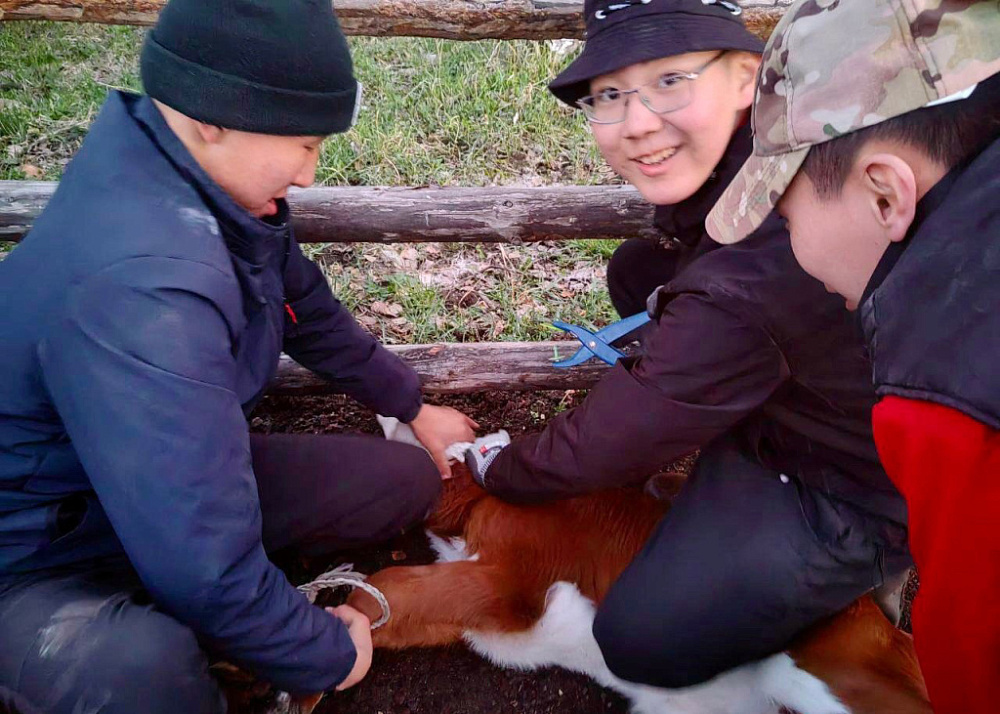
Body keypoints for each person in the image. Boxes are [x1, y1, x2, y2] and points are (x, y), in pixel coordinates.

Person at [0, 1, 477, 711]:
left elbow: (304, 310)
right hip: (35, 548)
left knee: (402, 480)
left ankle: (210, 622)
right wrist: (322, 652)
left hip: (149, 484)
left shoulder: (214, 197)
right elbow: (199, 554)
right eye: (304, 143)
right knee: (143, 673)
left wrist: (410, 403)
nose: (311, 174)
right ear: (210, 116)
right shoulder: (145, 279)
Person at [465, 0, 913, 689]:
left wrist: (494, 467)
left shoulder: (755, 275)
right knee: (639, 274)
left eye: (670, 80)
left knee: (643, 639)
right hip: (814, 396)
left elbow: (606, 444)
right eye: (609, 95)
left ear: (745, 78)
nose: (637, 123)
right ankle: (722, 414)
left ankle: (871, 558)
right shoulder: (777, 156)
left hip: (852, 485)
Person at [706, 2, 1000, 710]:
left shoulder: (942, 393)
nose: (790, 246)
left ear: (884, 194)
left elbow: (976, 655)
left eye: (787, 217)